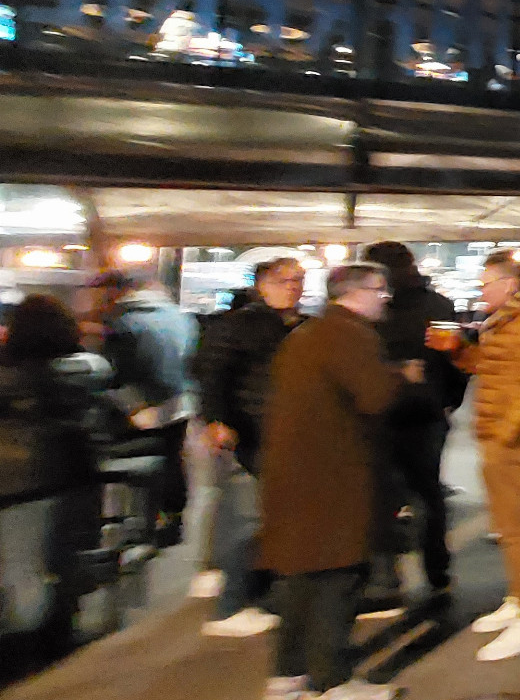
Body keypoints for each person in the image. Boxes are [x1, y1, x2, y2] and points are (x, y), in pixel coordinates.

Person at [257, 264, 409, 700]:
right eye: (379, 289)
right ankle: (328, 686)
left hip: (293, 473)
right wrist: (404, 375)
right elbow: (375, 396)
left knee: (300, 579)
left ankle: (288, 674)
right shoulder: (350, 335)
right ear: (355, 293)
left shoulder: (307, 333)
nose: (385, 297)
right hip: (333, 476)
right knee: (337, 577)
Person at [428, 250, 520, 661]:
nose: (481, 292)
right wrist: (457, 350)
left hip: (514, 440)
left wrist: (505, 435)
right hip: (499, 436)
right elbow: (489, 367)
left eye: (486, 285)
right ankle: (519, 599)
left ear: (509, 284)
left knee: (516, 527)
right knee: (506, 525)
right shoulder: (505, 320)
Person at [194, 257, 308, 638]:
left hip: (283, 433)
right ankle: (232, 605)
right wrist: (216, 419)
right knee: (251, 519)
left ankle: (258, 594)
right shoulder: (241, 325)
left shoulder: (299, 325)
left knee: (268, 516)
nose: (292, 287)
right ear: (263, 285)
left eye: (298, 280)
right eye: (284, 280)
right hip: (253, 431)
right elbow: (212, 373)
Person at [0, 296, 101, 654]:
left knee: (18, 561)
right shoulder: (79, 370)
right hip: (54, 478)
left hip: (14, 481)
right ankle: (39, 638)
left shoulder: (7, 371)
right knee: (48, 559)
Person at [361, 242, 460, 602]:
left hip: (382, 414)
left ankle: (385, 577)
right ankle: (437, 570)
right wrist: (449, 401)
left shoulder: (372, 311)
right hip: (427, 411)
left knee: (380, 495)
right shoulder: (439, 306)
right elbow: (454, 360)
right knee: (428, 493)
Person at [89, 268, 197, 546]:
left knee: (134, 465)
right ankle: (171, 519)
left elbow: (118, 370)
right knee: (172, 461)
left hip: (143, 408)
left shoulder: (125, 321)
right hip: (180, 403)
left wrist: (131, 406)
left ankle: (133, 524)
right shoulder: (181, 317)